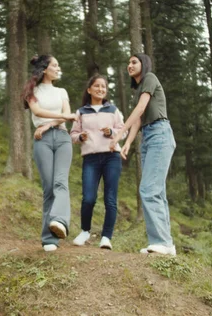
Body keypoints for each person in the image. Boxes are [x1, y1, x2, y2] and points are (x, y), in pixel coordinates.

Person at [109, 53, 177, 256]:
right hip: (148, 137)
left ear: (143, 64)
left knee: (148, 189)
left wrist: (120, 133)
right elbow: (138, 120)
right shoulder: (139, 89)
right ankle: (167, 244)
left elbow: (139, 110)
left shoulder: (150, 78)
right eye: (128, 62)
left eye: (134, 62)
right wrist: (128, 142)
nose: (129, 65)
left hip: (160, 134)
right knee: (157, 192)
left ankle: (161, 242)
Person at [23, 55, 77, 252]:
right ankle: (48, 239)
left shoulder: (62, 91)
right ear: (45, 69)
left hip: (62, 138)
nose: (58, 68)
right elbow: (37, 111)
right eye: (55, 65)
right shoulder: (31, 91)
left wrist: (49, 126)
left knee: (60, 182)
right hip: (42, 142)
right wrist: (61, 118)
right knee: (48, 188)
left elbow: (67, 115)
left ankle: (59, 221)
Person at [69, 74, 126, 250]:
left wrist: (111, 132)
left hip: (111, 157)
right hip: (91, 158)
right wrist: (80, 136)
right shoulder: (81, 112)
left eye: (103, 87)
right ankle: (85, 231)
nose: (101, 89)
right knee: (88, 198)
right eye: (97, 86)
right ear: (89, 89)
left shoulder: (113, 110)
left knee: (110, 199)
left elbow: (123, 131)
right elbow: (73, 135)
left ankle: (106, 237)